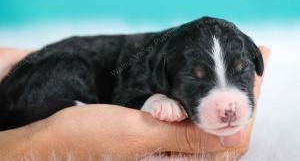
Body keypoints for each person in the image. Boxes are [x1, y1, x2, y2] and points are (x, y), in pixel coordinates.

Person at [0, 46, 270, 160]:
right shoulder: (150, 68)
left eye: (240, 71)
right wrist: (40, 140)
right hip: (51, 81)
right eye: (198, 78)